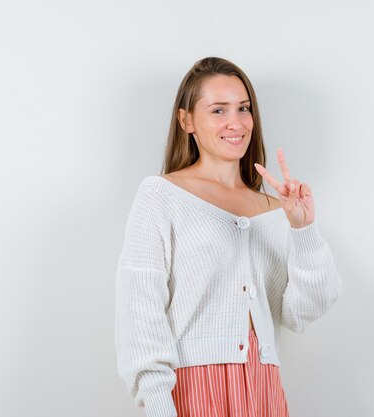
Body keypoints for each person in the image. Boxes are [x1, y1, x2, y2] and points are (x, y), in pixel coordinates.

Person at [115, 57, 342, 417]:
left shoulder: (276, 209)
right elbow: (140, 309)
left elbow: (302, 313)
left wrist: (303, 228)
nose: (235, 122)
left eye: (243, 108)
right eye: (218, 110)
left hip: (264, 391)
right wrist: (158, 405)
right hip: (191, 391)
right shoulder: (161, 195)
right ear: (186, 120)